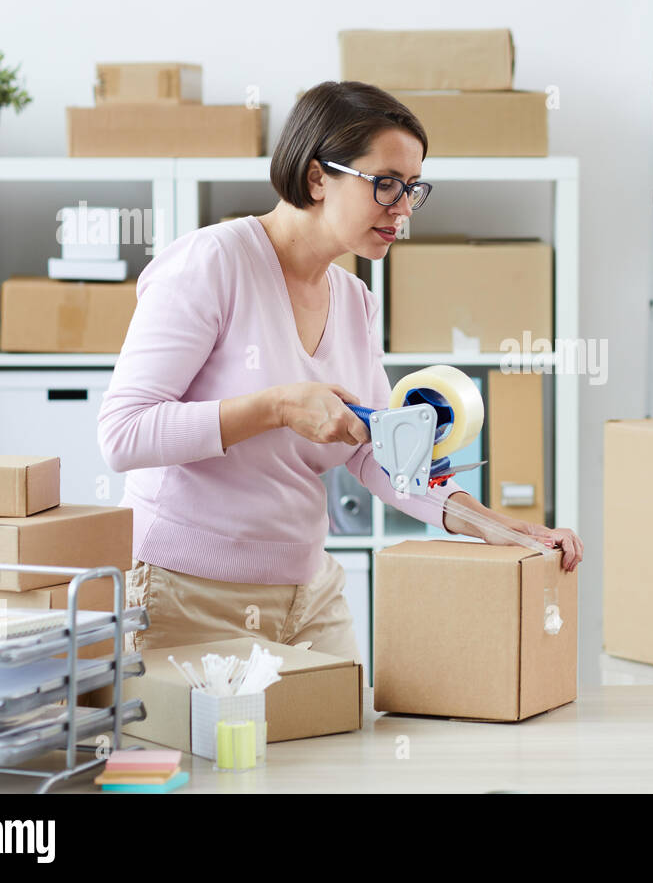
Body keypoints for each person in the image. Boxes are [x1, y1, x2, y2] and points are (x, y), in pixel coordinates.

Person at [98, 80, 583, 660]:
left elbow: (376, 451)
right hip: (188, 595)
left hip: (309, 596)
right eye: (386, 185)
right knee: (217, 753)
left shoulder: (354, 299)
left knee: (345, 746)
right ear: (316, 177)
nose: (403, 209)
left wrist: (495, 526)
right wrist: (276, 407)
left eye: (412, 188)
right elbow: (122, 434)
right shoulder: (213, 264)